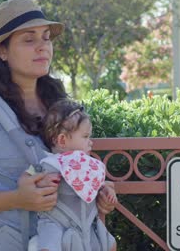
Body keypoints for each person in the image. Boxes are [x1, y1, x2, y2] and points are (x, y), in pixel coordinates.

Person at [0, 0, 116, 251]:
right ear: (2, 51)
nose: (43, 47)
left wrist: (95, 190)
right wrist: (17, 199)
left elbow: (68, 168)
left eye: (46, 37)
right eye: (29, 39)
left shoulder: (60, 104)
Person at [32, 99, 117, 251]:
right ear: (62, 140)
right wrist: (37, 180)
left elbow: (95, 184)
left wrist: (106, 191)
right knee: (49, 243)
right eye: (85, 137)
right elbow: (28, 176)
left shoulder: (87, 164)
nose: (91, 142)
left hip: (87, 224)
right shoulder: (49, 162)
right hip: (57, 222)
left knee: (111, 244)